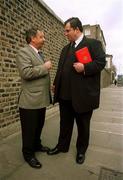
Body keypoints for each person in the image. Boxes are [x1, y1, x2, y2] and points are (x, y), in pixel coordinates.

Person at [47, 17, 106, 164]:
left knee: (83, 126)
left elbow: (100, 63)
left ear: (77, 30)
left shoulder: (93, 44)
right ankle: (62, 146)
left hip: (83, 96)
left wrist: (85, 68)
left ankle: (81, 151)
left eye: (67, 31)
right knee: (64, 124)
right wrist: (56, 83)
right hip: (65, 95)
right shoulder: (65, 48)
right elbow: (61, 69)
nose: (65, 34)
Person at [16, 28, 52, 168]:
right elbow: (26, 73)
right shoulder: (23, 52)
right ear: (32, 39)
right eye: (41, 37)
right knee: (29, 130)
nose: (44, 39)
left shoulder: (39, 53)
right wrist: (44, 67)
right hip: (29, 101)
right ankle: (28, 154)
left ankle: (37, 145)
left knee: (38, 126)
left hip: (40, 99)